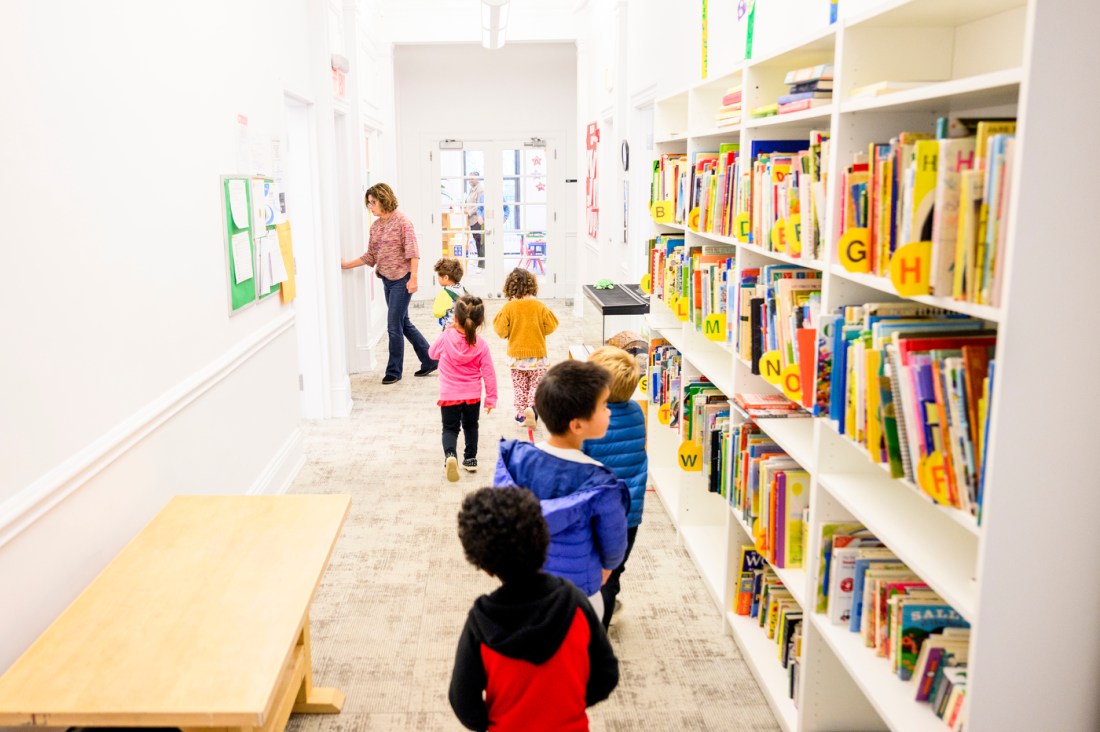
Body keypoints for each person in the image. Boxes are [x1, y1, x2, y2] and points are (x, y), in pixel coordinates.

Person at [449, 486, 619, 731]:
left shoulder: (481, 622)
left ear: (484, 565)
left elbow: (463, 701)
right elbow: (606, 675)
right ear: (543, 541)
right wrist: (567, 706)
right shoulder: (575, 602)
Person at [493, 360, 630, 621]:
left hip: (522, 587)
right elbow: (614, 544)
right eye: (604, 406)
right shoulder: (603, 484)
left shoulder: (514, 461)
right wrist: (608, 566)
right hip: (579, 594)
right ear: (577, 425)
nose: (609, 412)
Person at [341, 183, 436, 384]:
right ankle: (429, 359)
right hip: (386, 278)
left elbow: (413, 253)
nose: (370, 207)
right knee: (403, 323)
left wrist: (414, 278)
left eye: (373, 202)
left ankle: (394, 370)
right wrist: (346, 264)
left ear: (384, 199)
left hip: (402, 279)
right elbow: (371, 256)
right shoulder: (376, 226)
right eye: (368, 203)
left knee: (393, 325)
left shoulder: (403, 222)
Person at [580, 346, 647, 629]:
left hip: (594, 514)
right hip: (628, 516)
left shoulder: (589, 421)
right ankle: (603, 620)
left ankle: (592, 630)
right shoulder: (636, 412)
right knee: (612, 573)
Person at [429, 295, 497, 482]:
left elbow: (432, 353)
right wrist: (491, 398)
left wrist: (444, 332)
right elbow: (489, 373)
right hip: (472, 396)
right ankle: (470, 458)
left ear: (455, 318)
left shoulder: (446, 337)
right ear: (479, 321)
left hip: (449, 394)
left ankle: (450, 455)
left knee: (450, 429)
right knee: (471, 426)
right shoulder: (481, 345)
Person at [492, 268, 558, 428]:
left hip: (516, 357)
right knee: (536, 384)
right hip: (538, 356)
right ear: (531, 285)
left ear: (510, 287)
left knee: (520, 386)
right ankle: (532, 408)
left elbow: (501, 331)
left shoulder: (509, 308)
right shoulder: (539, 306)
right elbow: (551, 326)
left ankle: (521, 415)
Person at [432, 257, 468, 330]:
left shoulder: (444, 294)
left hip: (450, 329)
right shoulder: (463, 289)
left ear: (445, 278)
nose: (437, 278)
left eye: (438, 276)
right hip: (463, 328)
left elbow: (437, 313)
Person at [464, 173, 485, 270]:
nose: (470, 180)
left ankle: (482, 265)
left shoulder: (480, 189)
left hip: (477, 219)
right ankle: (481, 263)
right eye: (469, 178)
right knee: (477, 241)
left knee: (480, 242)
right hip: (471, 220)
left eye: (472, 178)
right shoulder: (471, 189)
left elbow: (479, 205)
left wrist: (469, 211)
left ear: (477, 179)